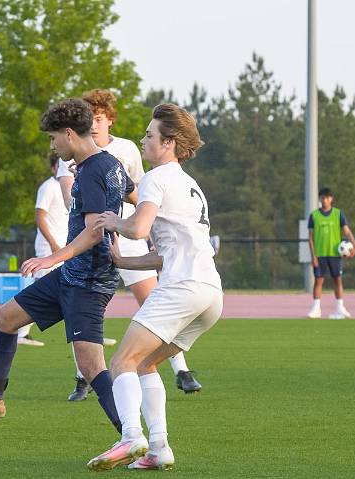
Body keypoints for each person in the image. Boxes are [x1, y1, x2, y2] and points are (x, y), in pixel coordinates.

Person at [0, 99, 135, 432]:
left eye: (52, 138)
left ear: (68, 133)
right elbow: (135, 196)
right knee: (6, 318)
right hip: (72, 274)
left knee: (91, 366)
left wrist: (52, 257)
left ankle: (131, 436)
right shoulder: (109, 165)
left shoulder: (93, 170)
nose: (51, 145)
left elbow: (93, 232)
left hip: (88, 281)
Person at [86, 103, 223, 471]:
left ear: (169, 142)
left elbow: (139, 229)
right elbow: (169, 253)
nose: (144, 139)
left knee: (121, 362)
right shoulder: (191, 185)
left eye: (150, 134)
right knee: (146, 363)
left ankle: (131, 436)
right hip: (210, 294)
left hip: (181, 288)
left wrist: (114, 220)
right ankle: (159, 448)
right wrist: (124, 262)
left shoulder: (156, 177)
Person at [58, 90, 202, 401]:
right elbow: (72, 201)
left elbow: (137, 195)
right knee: (81, 310)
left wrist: (140, 228)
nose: (94, 125)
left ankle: (181, 369)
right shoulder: (71, 150)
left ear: (109, 119)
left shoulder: (127, 151)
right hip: (95, 245)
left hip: (129, 239)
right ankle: (83, 377)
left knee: (151, 312)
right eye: (89, 119)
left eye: (99, 118)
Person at [17, 152, 69, 347]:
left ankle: (86, 334)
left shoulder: (68, 186)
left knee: (68, 289)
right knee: (41, 289)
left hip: (64, 249)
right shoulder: (48, 187)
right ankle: (20, 332)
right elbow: (40, 217)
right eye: (59, 165)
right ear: (53, 167)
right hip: (49, 249)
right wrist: (54, 244)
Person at [306, 188, 355, 319]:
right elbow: (310, 238)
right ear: (320, 199)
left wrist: (354, 245)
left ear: (331, 199)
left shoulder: (338, 214)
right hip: (320, 254)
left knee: (337, 280)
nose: (325, 200)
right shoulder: (314, 216)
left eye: (327, 197)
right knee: (318, 281)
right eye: (322, 197)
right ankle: (316, 308)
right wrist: (313, 256)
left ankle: (340, 307)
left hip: (335, 254)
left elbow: (346, 231)